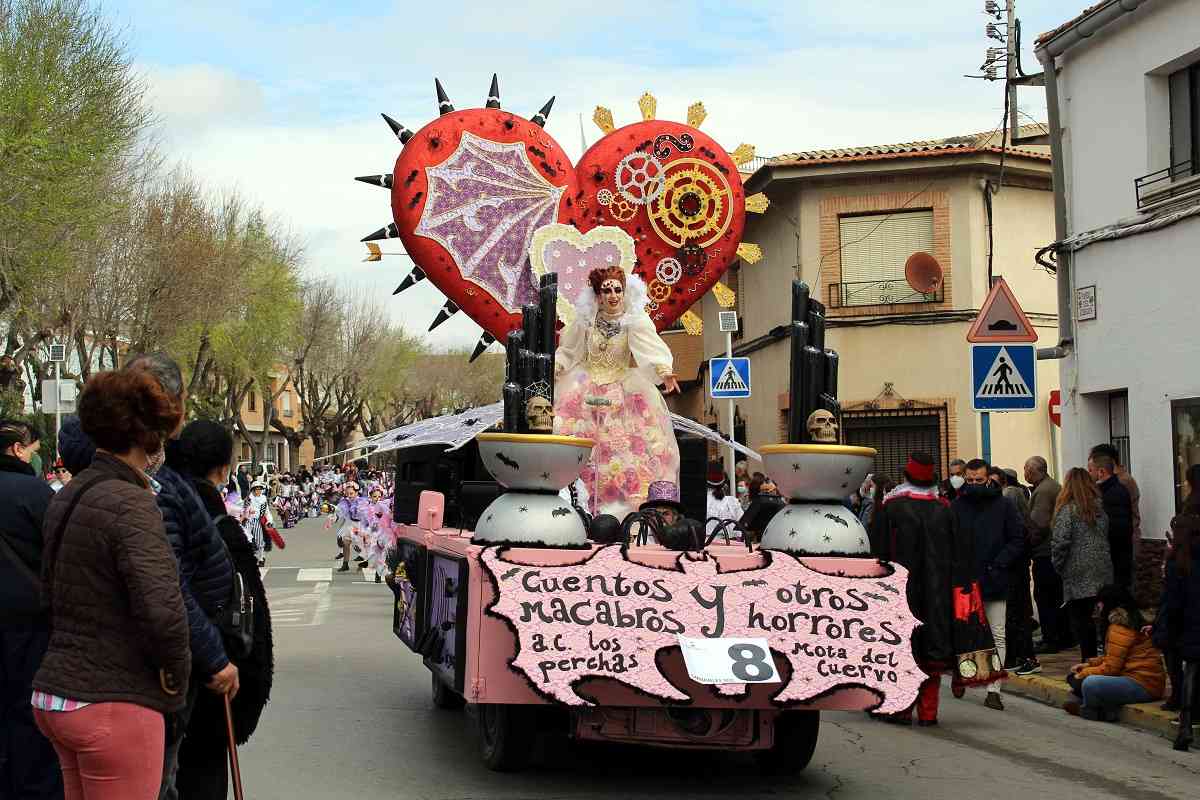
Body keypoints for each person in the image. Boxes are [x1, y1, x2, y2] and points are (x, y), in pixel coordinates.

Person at [33, 369, 192, 800]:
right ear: (150, 434)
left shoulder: (68, 493)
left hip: (57, 692)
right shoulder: (132, 502)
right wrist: (177, 680)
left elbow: (48, 591)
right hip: (113, 698)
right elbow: (163, 611)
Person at [166, 421, 274, 798]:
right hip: (207, 682)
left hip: (158, 685)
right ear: (223, 469)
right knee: (201, 780)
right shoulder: (214, 526)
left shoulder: (156, 504)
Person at [871, 452, 1002, 725]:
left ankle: (902, 709)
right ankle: (928, 713)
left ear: (906, 477)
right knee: (931, 655)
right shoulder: (944, 509)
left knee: (905, 652)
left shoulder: (891, 508)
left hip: (901, 594)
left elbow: (878, 555)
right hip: (938, 596)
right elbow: (959, 556)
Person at [554, 260, 680, 519]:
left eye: (617, 290)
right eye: (607, 291)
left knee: (631, 453)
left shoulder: (634, 321)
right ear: (598, 296)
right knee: (578, 447)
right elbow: (569, 351)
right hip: (586, 391)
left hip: (622, 392)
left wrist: (664, 370)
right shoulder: (586, 322)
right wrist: (558, 366)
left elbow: (650, 348)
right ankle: (580, 509)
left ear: (625, 292)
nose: (613, 296)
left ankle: (625, 515)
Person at [0, 420, 62, 799]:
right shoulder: (37, 494)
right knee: (30, 719)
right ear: (17, 449)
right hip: (30, 627)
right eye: (34, 450)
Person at [953, 458, 1025, 711]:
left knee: (997, 633)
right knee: (964, 633)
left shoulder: (1004, 505)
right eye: (970, 480)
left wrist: (999, 564)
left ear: (989, 479)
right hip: (965, 580)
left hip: (994, 578)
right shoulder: (957, 506)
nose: (973, 485)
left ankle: (994, 689)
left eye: (979, 481)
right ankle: (963, 674)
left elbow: (1017, 539)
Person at [1064, 584, 1164, 721]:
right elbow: (1114, 657)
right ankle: (1100, 707)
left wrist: (1083, 674)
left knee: (1089, 683)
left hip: (1143, 685)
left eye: (1099, 604)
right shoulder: (1129, 619)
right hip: (1142, 681)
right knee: (1076, 678)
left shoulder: (1120, 626)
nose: (1097, 609)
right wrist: (1088, 665)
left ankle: (1089, 710)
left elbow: (1111, 669)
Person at [1051, 467, 1113, 662]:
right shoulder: (1100, 509)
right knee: (1104, 619)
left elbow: (1061, 541)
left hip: (1077, 570)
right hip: (1102, 568)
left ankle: (1088, 661)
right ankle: (1107, 661)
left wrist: (1058, 565)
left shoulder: (1067, 510)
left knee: (1081, 620)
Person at [1155, 512, 1200, 750]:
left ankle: (1185, 725)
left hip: (1188, 623)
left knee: (1190, 671)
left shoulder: (1178, 563)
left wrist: (1167, 630)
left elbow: (1173, 602)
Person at [1025, 457, 1069, 654]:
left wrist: (1026, 546)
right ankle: (1062, 635)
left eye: (1026, 469)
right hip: (1051, 550)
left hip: (1045, 552)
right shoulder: (1051, 486)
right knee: (1056, 595)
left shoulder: (1043, 491)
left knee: (1045, 597)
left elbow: (1038, 524)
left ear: (1034, 471)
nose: (1024, 472)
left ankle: (1051, 638)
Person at [1088, 450, 1134, 590]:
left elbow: (1116, 530)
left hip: (1115, 560)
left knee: (1116, 598)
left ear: (1101, 472)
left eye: (1090, 470)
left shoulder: (1113, 493)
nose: (1088, 474)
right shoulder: (1105, 491)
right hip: (1112, 559)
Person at [328, 482, 369, 572]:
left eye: (351, 493)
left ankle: (364, 561)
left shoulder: (362, 501)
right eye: (347, 493)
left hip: (359, 525)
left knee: (360, 545)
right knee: (346, 543)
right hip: (349, 524)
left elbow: (365, 514)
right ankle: (345, 564)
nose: (349, 496)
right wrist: (333, 518)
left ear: (356, 492)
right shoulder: (344, 502)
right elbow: (339, 512)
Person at [705, 466, 743, 541]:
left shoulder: (701, 502)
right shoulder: (732, 502)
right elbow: (742, 526)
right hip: (730, 547)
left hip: (704, 546)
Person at [243, 482, 273, 566]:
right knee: (245, 538)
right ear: (253, 489)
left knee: (259, 541)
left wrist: (269, 521)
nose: (259, 491)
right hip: (248, 520)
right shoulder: (249, 498)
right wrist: (247, 511)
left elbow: (267, 512)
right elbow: (243, 508)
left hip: (257, 521)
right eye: (257, 489)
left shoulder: (263, 499)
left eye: (260, 489)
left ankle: (261, 558)